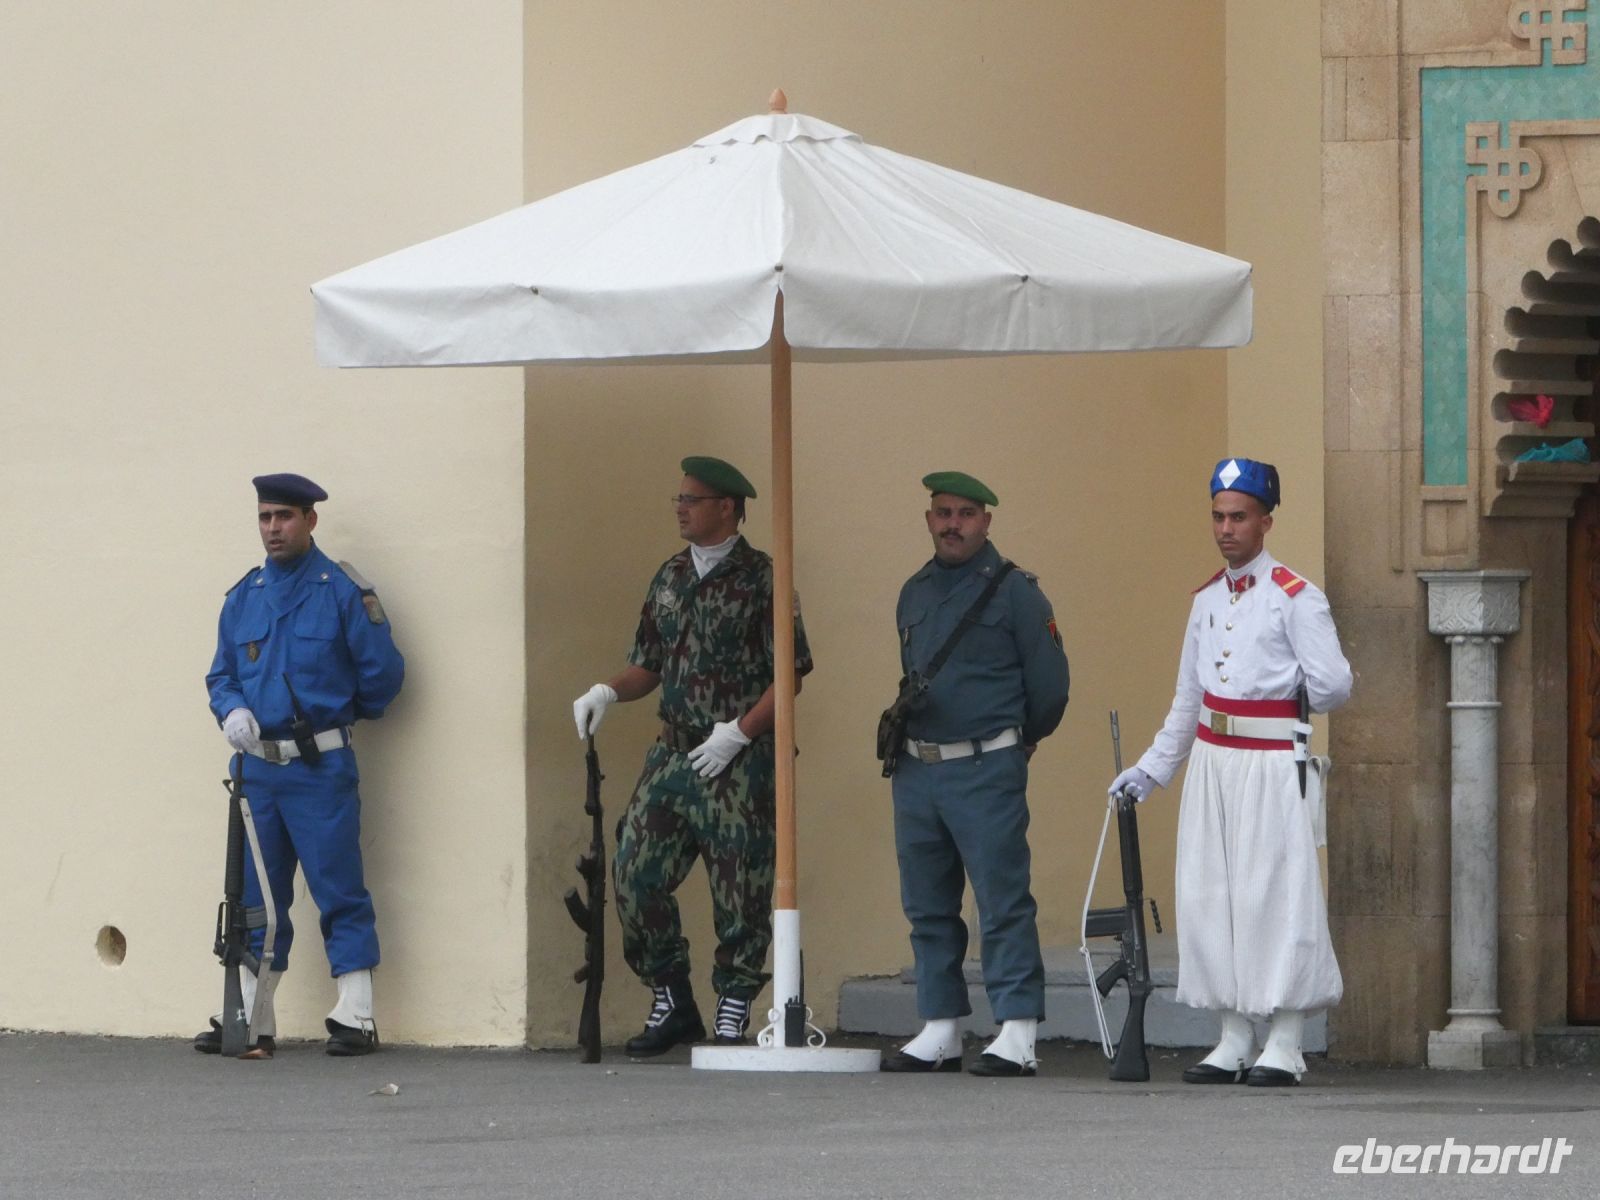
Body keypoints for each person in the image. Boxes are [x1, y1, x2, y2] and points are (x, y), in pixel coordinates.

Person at [1109, 457, 1352, 1087]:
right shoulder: (1207, 599)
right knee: (1211, 895)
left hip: (1271, 765)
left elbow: (1334, 685)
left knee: (1275, 897)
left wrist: (1288, 695)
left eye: (1239, 517)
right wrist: (1151, 770)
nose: (1226, 529)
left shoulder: (1295, 596)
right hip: (1213, 763)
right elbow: (1188, 700)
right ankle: (1235, 1037)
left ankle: (1287, 1042)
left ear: (1265, 521)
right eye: (1218, 516)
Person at [571, 456, 812, 1056]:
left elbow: (790, 675)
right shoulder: (671, 575)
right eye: (678, 499)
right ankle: (672, 998)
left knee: (741, 887)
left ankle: (734, 1005)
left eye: (691, 500)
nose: (679, 509)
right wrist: (607, 691)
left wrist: (740, 732)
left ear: (727, 508)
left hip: (739, 758)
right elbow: (648, 664)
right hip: (674, 755)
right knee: (634, 873)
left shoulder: (764, 578)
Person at [198, 473, 405, 1057]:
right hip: (258, 771)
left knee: (338, 887)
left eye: (284, 517)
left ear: (310, 521)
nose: (273, 528)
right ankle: (249, 1016)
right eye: (265, 517)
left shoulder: (341, 591)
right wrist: (232, 709)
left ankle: (356, 1014)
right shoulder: (245, 596)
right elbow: (221, 675)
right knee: (254, 898)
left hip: (319, 767)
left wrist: (333, 720)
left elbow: (383, 675)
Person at [881, 472, 1070, 1078]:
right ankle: (940, 1026)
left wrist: (1016, 742)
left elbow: (1050, 687)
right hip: (919, 767)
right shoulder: (914, 591)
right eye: (942, 513)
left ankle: (1018, 1029)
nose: (952, 524)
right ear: (928, 519)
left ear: (986, 522)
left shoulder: (1016, 592)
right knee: (928, 902)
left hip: (985, 764)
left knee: (1001, 898)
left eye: (965, 514)